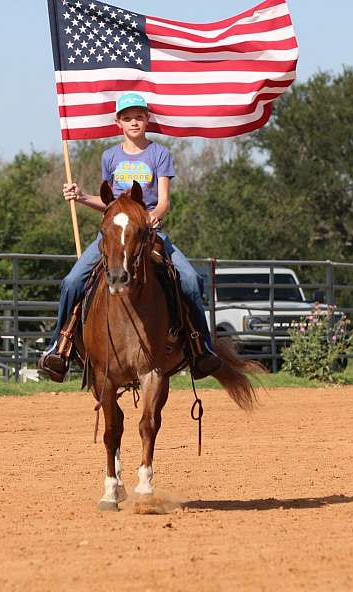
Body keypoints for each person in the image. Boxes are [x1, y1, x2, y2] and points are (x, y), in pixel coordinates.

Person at [39, 92, 220, 382]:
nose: (134, 122)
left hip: (148, 230)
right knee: (72, 281)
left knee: (189, 279)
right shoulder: (109, 156)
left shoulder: (159, 154)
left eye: (138, 116)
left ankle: (201, 347)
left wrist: (151, 217)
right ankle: (59, 346)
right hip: (115, 234)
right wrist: (82, 196)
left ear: (147, 119)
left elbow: (163, 202)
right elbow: (110, 203)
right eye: (127, 118)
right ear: (118, 123)